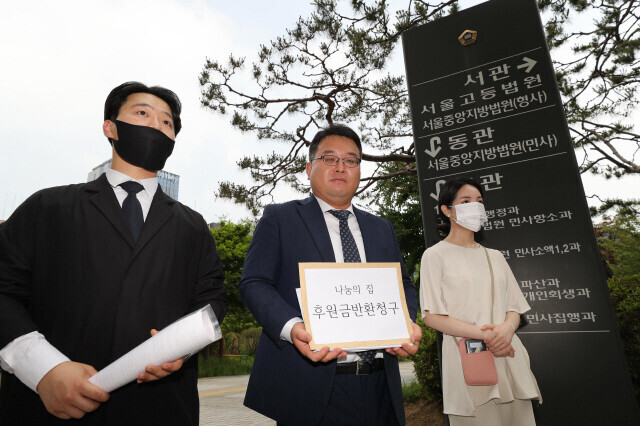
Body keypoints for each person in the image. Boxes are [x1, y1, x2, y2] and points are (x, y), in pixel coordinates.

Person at [0, 82, 226, 425]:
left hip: (163, 408)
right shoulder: (47, 207)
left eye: (167, 122)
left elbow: (210, 301)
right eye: (142, 113)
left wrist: (180, 348)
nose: (156, 125)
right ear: (110, 127)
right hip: (46, 408)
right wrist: (43, 368)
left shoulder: (194, 226)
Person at [239, 124, 422, 426]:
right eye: (329, 158)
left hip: (381, 386)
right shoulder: (281, 218)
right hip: (309, 386)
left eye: (351, 160)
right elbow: (254, 283)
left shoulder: (381, 228)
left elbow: (402, 284)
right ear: (309, 168)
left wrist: (407, 322)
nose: (341, 167)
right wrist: (292, 326)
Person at [420, 177, 541, 425]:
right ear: (446, 209)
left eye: (479, 201)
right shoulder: (435, 255)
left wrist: (506, 330)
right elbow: (432, 315)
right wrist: (487, 335)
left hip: (507, 354)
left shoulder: (495, 256)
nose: (474, 206)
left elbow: (514, 307)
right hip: (468, 357)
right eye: (465, 201)